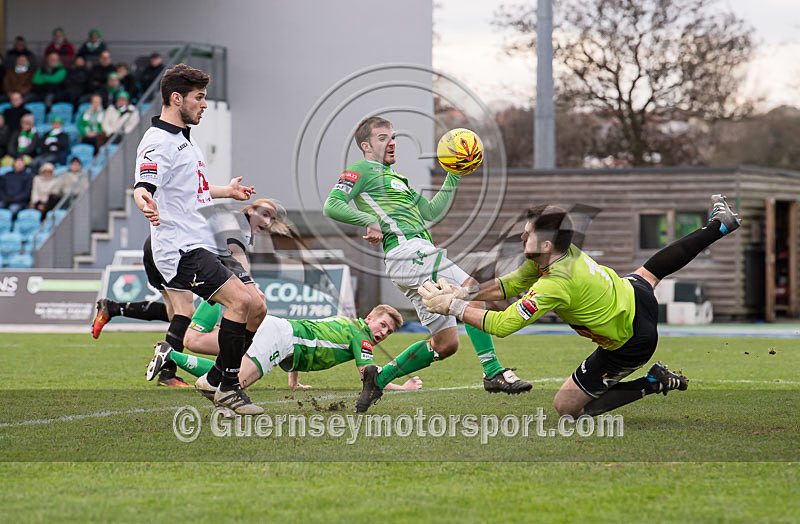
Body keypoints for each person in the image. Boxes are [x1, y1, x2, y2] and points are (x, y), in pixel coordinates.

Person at [416, 197, 742, 418]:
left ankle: (653, 381)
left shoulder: (555, 283)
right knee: (651, 271)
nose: (521, 235)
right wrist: (461, 294)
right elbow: (509, 284)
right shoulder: (557, 252)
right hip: (631, 294)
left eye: (527, 233)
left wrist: (453, 308)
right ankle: (719, 226)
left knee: (566, 408)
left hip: (631, 341)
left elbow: (503, 325)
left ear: (545, 244)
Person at [323, 117, 531, 413]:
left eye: (393, 137)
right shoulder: (361, 169)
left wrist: (453, 175)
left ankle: (379, 379)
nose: (391, 142)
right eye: (383, 138)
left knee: (446, 343)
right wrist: (369, 220)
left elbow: (432, 211)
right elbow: (333, 204)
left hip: (413, 259)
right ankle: (493, 371)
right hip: (409, 252)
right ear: (366, 146)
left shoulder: (398, 180)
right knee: (469, 290)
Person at [133, 63, 261, 414]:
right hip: (180, 248)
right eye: (199, 98)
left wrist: (227, 191)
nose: (204, 104)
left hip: (205, 239)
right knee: (239, 302)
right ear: (177, 99)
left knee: (257, 305)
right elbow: (144, 185)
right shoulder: (158, 142)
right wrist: (143, 198)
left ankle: (215, 377)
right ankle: (228, 386)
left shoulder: (184, 142)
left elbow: (195, 192)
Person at [92, 198, 292, 387]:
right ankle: (167, 374)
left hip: (157, 245)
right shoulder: (239, 224)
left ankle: (114, 308)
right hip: (173, 251)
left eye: (272, 218)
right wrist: (251, 284)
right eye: (265, 214)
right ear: (250, 210)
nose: (267, 221)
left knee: (174, 313)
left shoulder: (236, 223)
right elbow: (236, 255)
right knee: (185, 312)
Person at [146, 304, 422, 401]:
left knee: (195, 341)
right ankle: (219, 294)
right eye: (383, 325)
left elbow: (310, 336)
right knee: (231, 386)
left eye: (389, 332)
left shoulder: (346, 322)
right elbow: (370, 377)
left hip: (279, 331)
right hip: (280, 337)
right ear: (370, 318)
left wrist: (293, 381)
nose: (384, 333)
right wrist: (404, 387)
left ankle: (171, 355)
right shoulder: (361, 338)